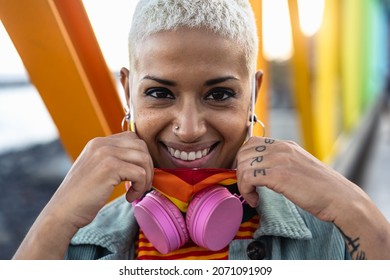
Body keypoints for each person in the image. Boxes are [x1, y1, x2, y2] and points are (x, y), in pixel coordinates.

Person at [13, 0, 390, 260]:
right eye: (159, 93)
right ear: (128, 91)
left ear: (253, 93)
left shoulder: (328, 229)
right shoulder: (77, 241)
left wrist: (353, 208)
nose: (189, 128)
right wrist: (56, 219)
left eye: (220, 94)